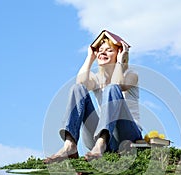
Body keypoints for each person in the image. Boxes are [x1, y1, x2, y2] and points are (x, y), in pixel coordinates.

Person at [44, 31, 142, 163]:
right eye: (100, 50)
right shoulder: (97, 78)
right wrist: (90, 57)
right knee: (77, 88)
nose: (103, 53)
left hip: (128, 135)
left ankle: (101, 143)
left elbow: (117, 84)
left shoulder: (131, 74)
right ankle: (69, 145)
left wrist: (120, 61)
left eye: (109, 50)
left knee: (112, 88)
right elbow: (80, 82)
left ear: (119, 53)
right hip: (104, 138)